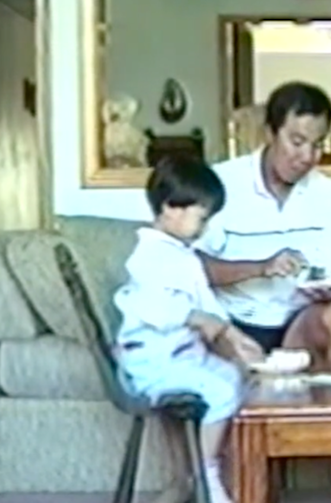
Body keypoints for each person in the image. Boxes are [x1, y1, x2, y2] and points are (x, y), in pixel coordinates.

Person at [192, 81, 331, 503]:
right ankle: (248, 484)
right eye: (296, 141)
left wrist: (327, 289)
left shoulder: (327, 195)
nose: (306, 156)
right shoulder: (222, 183)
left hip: (295, 324)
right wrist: (259, 267)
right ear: (269, 134)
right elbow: (190, 270)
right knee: (220, 345)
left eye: (317, 144)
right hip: (234, 325)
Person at [113, 155, 265, 503]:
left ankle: (206, 469)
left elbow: (209, 306)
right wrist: (201, 320)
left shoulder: (184, 256)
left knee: (236, 377)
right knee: (223, 390)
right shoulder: (147, 257)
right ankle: (206, 472)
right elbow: (157, 309)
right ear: (171, 208)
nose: (205, 228)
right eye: (202, 218)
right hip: (152, 364)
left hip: (180, 358)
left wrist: (235, 337)